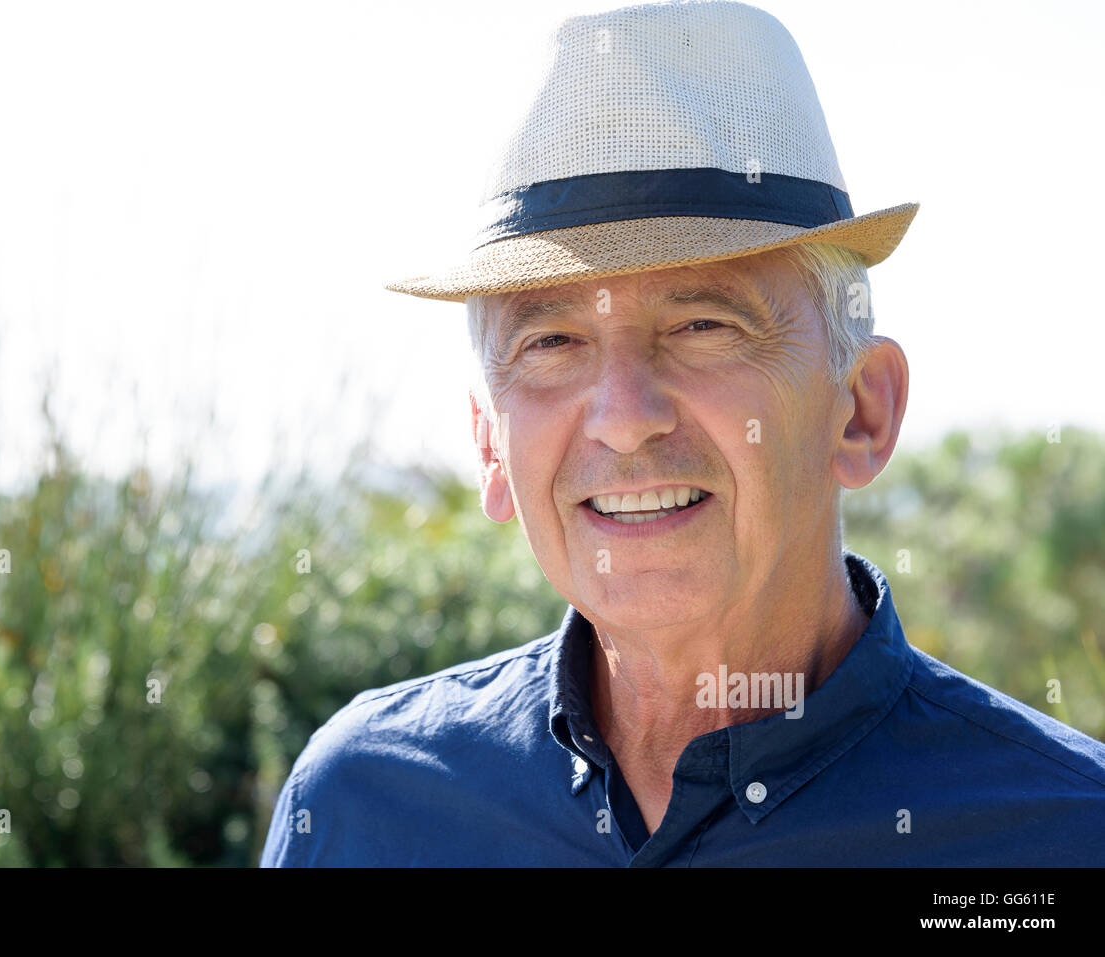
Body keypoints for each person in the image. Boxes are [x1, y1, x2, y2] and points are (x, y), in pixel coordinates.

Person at [260, 0, 1105, 866]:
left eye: (705, 326)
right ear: (490, 443)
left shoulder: (1063, 835)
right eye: (551, 342)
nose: (624, 418)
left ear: (861, 410)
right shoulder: (365, 806)